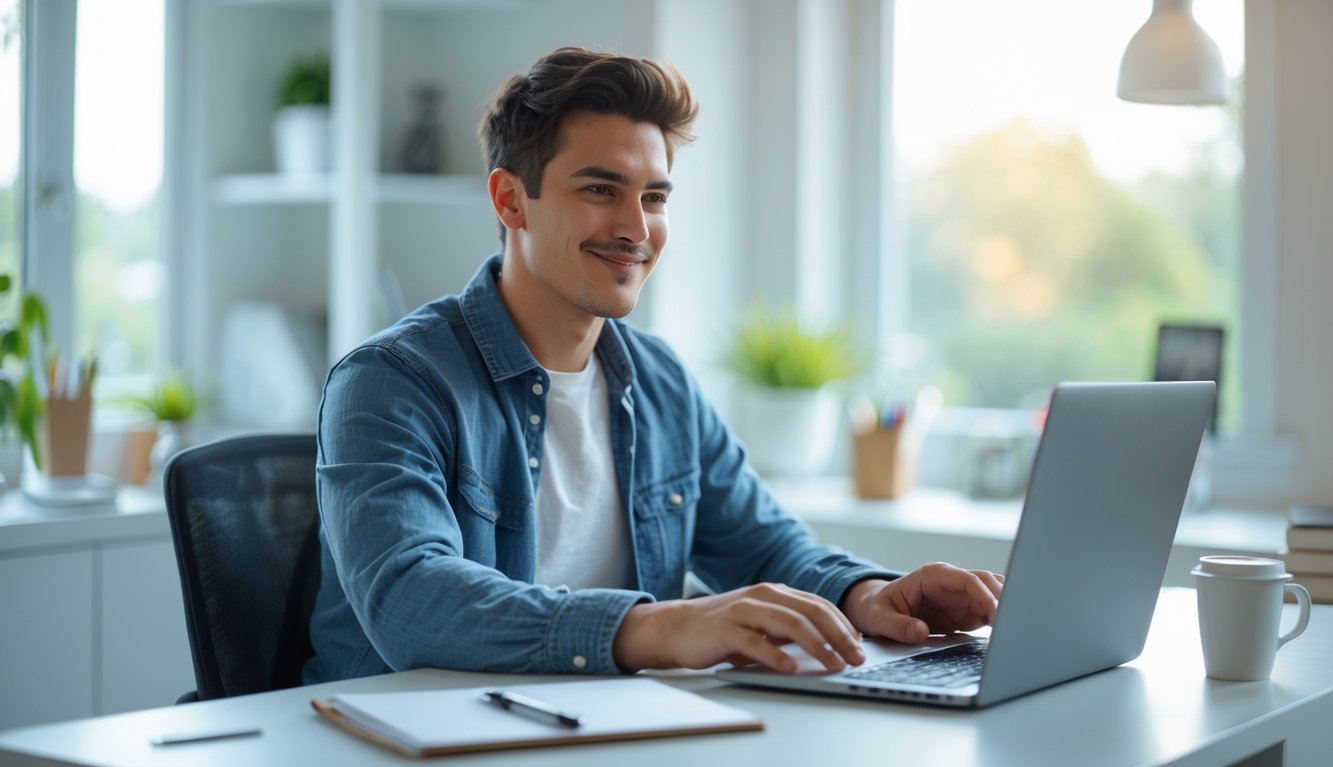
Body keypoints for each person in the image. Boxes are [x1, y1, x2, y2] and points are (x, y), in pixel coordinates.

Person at [303, 47, 1003, 685]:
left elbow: (766, 548)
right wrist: (661, 628)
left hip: (603, 730)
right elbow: (411, 599)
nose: (637, 229)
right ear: (511, 199)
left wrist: (870, 595)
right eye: (600, 190)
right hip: (399, 738)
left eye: (655, 197)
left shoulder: (659, 379)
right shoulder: (392, 382)